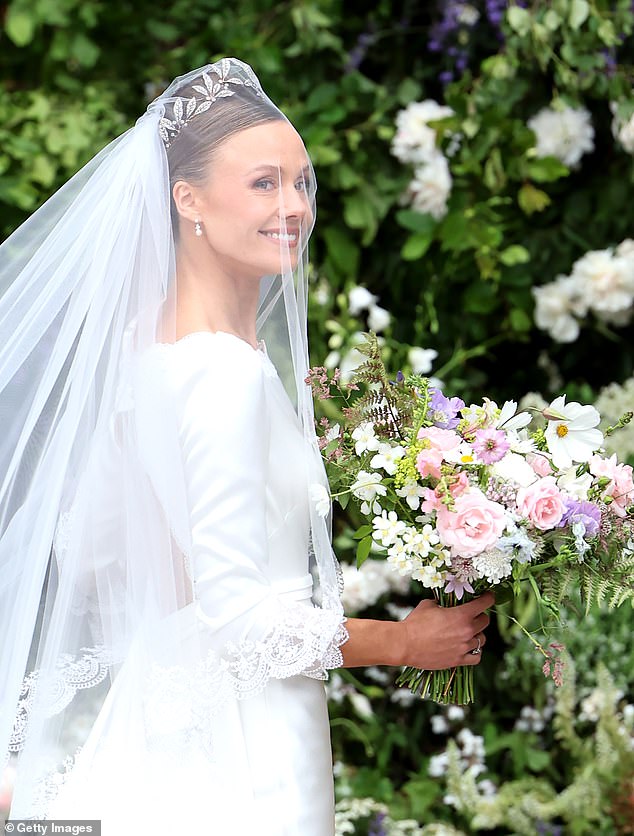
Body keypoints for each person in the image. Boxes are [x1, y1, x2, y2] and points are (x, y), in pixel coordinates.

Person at [0, 58, 492, 834]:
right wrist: (404, 642)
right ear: (186, 198)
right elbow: (242, 620)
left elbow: (89, 550)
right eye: (263, 183)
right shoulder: (224, 374)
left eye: (300, 182)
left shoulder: (146, 355)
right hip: (246, 745)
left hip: (163, 711)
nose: (293, 205)